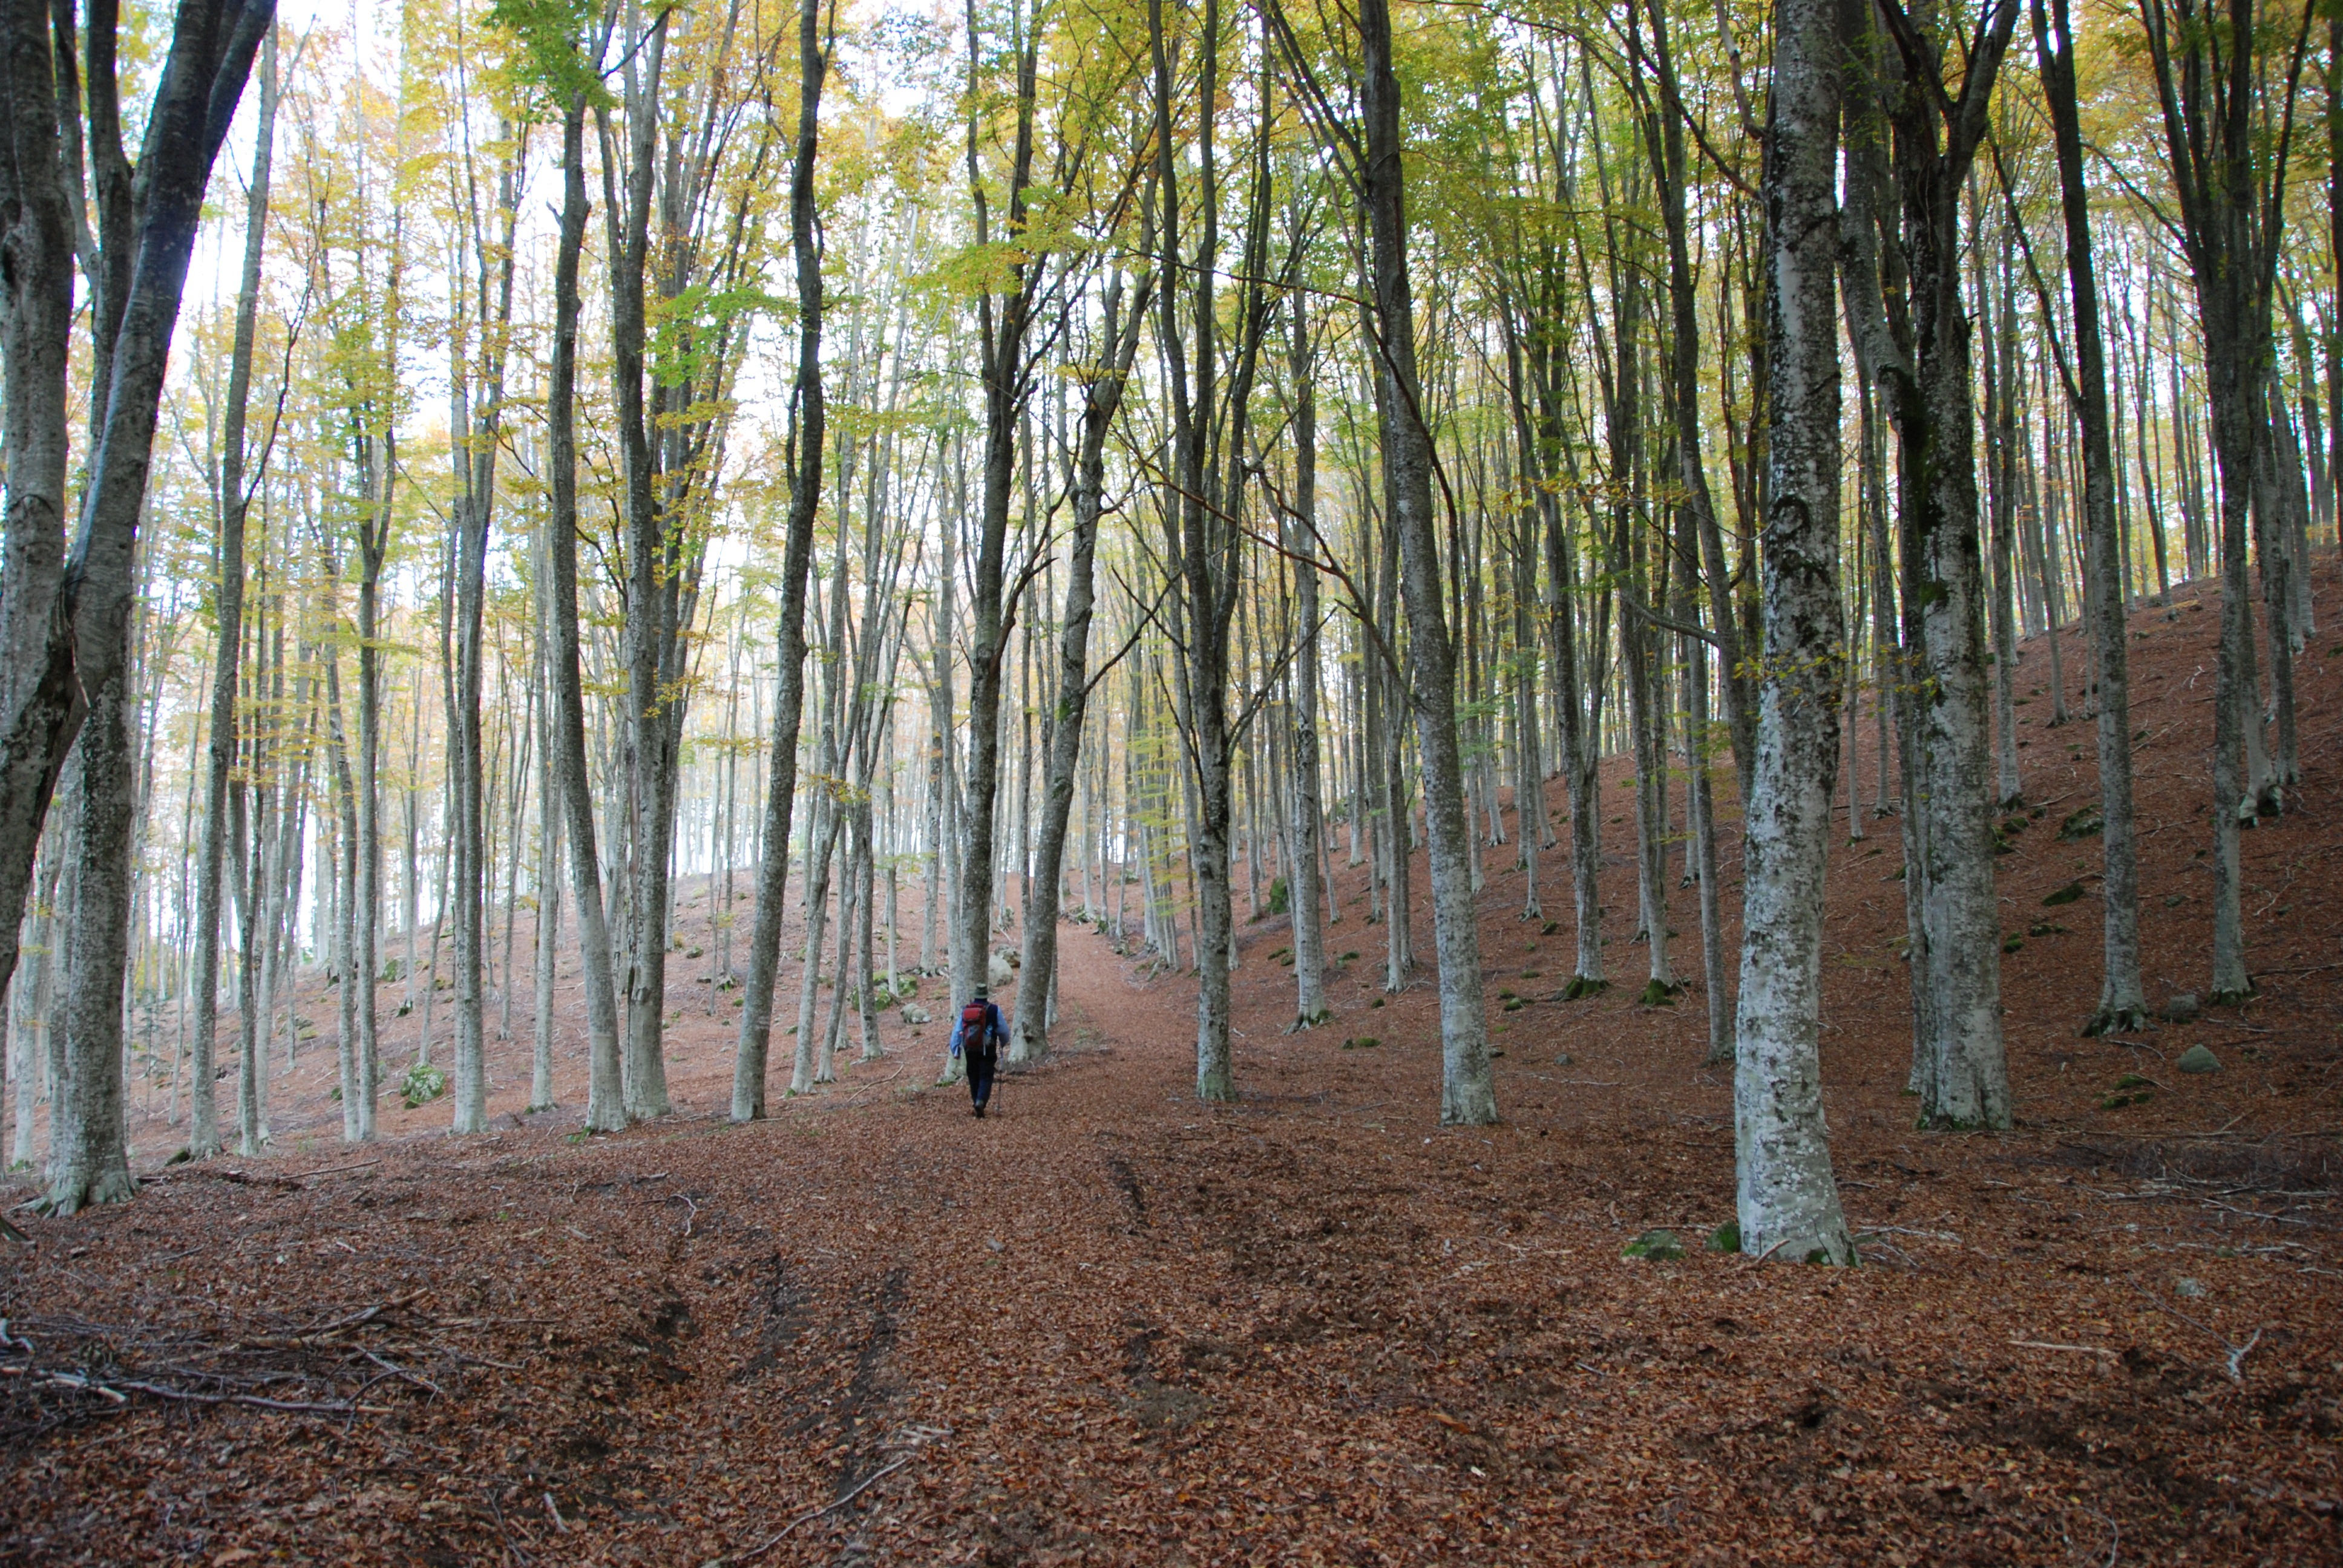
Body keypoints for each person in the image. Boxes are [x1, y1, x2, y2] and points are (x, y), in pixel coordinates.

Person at [951, 985, 1004, 1118]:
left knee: (973, 1076)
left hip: (970, 1049)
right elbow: (1004, 1031)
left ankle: (976, 1101)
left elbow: (957, 1032)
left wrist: (955, 1050)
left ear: (975, 995)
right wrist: (1003, 1043)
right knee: (986, 1076)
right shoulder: (994, 1010)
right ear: (987, 996)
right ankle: (981, 1101)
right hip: (988, 1050)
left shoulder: (965, 1011)